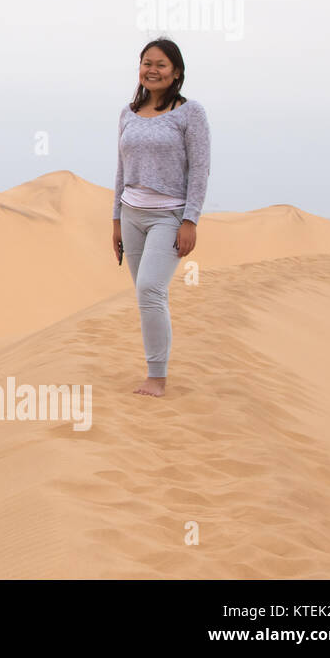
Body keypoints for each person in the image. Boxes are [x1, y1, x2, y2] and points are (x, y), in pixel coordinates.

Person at [111, 37, 211, 397]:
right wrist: (116, 220)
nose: (152, 70)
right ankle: (154, 368)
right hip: (131, 213)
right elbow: (121, 169)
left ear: (176, 72)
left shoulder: (190, 113)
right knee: (146, 296)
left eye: (161, 65)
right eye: (146, 63)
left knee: (150, 289)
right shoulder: (128, 113)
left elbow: (200, 169)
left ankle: (157, 377)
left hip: (168, 215)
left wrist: (190, 220)